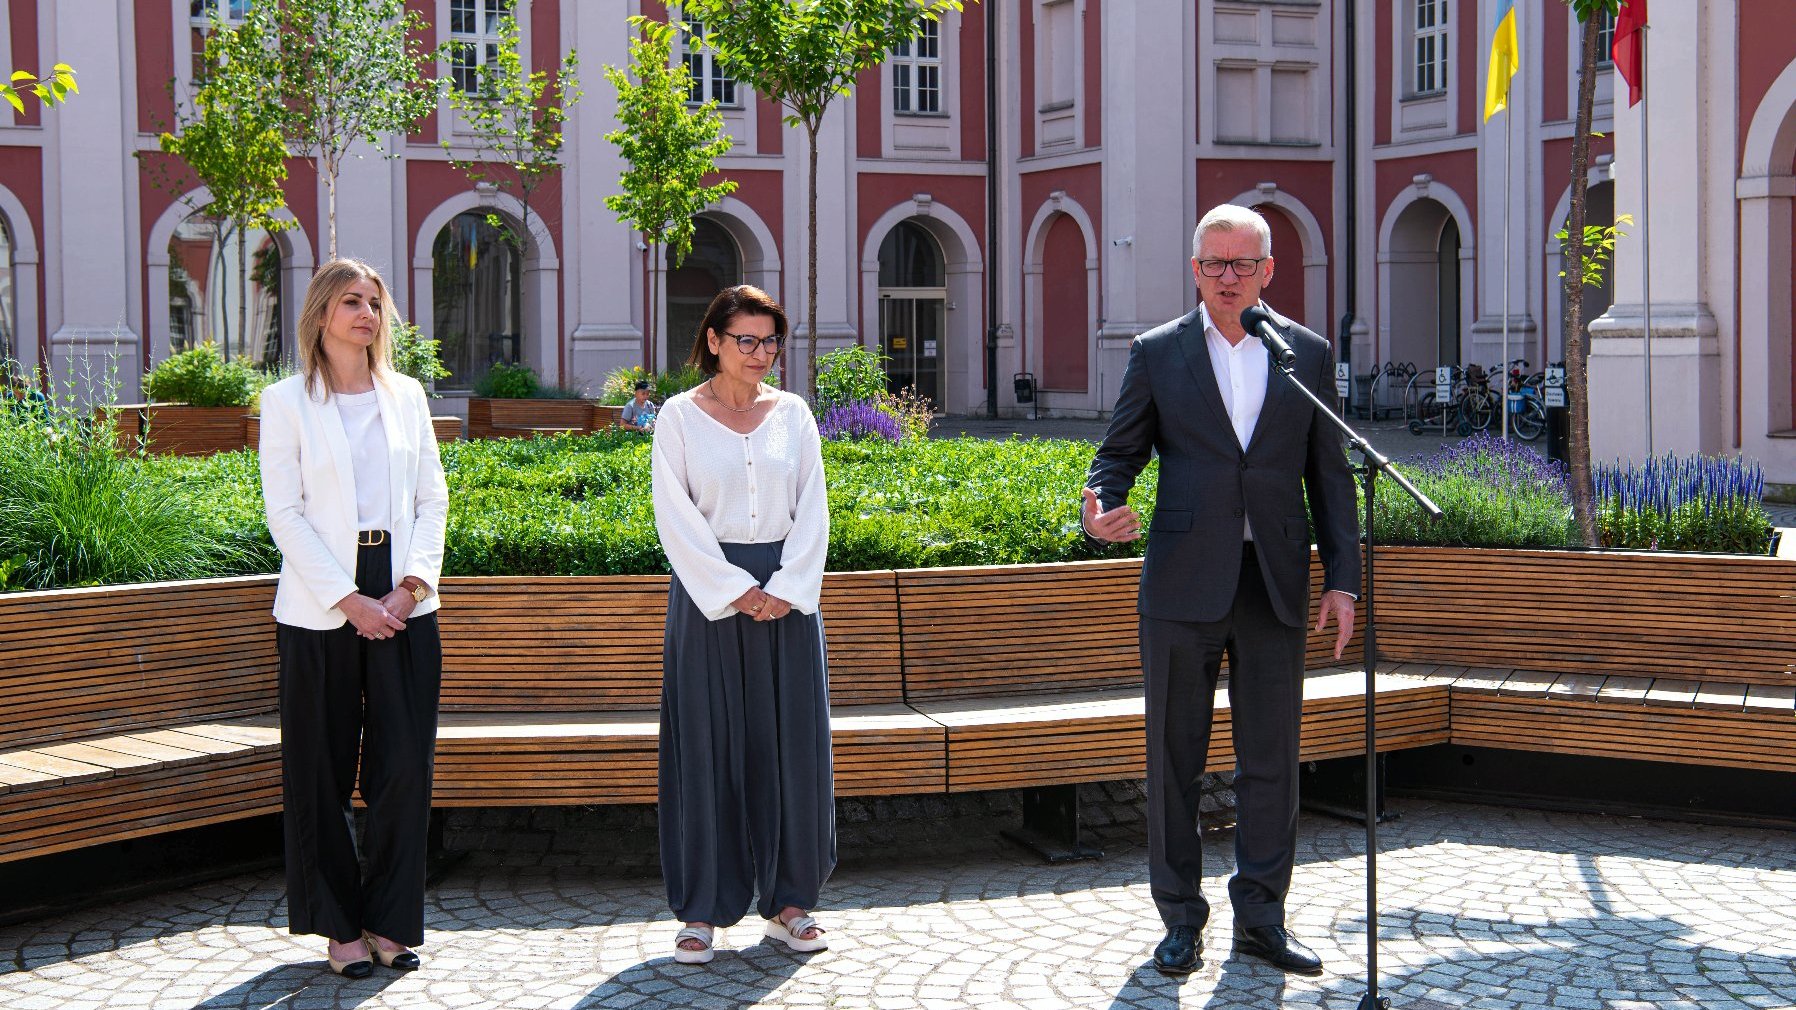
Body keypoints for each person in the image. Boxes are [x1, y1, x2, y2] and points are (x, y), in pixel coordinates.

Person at [1081, 204, 1360, 977]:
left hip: (1272, 583)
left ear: (1270, 270)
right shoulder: (1158, 352)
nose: (1227, 277)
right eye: (1213, 264)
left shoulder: (1304, 352)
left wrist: (1342, 581)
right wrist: (1098, 505)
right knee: (1175, 759)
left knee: (1271, 760)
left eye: (1242, 264)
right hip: (1180, 584)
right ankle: (1180, 919)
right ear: (1195, 268)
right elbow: (1118, 453)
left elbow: (1331, 476)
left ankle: (1262, 920)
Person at [259, 258, 449, 978]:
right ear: (321, 314)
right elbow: (286, 512)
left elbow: (433, 498)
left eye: (375, 302)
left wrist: (409, 588)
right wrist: (348, 600)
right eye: (351, 301)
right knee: (321, 768)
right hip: (319, 602)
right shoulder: (287, 402)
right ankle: (340, 928)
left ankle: (392, 922)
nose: (366, 313)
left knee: (404, 768)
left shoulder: (405, 396)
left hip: (404, 595)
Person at [650, 284, 835, 965]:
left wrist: (785, 589)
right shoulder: (678, 417)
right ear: (714, 342)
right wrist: (735, 591)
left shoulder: (794, 414)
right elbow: (675, 516)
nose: (762, 353)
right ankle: (701, 909)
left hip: (789, 602)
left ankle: (792, 905)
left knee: (792, 752)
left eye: (770, 340)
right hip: (708, 600)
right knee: (706, 752)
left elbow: (812, 507)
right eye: (747, 340)